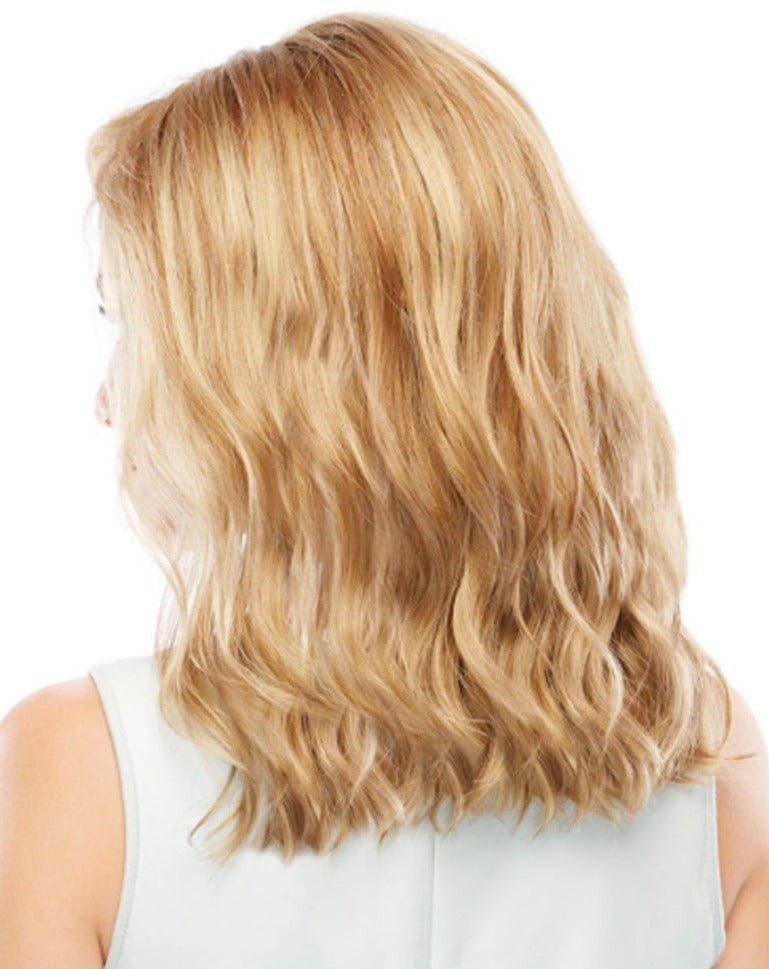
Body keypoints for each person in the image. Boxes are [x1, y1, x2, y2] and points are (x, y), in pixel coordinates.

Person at [1, 12, 767, 969]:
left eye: (129, 325)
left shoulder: (78, 774)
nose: (107, 400)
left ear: (260, 383)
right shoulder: (710, 765)